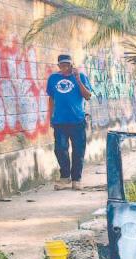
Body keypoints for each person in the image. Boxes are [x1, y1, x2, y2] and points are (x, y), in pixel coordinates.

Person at [47, 54, 92, 190]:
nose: (66, 67)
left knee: (78, 151)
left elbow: (88, 96)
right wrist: (50, 116)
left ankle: (76, 179)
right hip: (59, 121)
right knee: (60, 150)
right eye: (63, 65)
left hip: (77, 120)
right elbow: (51, 98)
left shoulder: (81, 76)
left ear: (72, 65)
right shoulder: (53, 78)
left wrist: (77, 79)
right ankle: (65, 177)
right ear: (59, 66)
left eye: (68, 65)